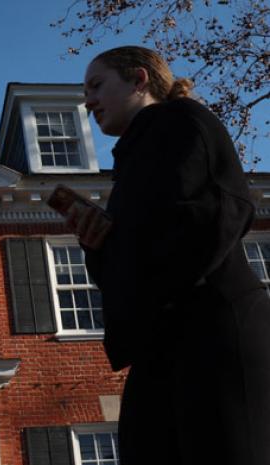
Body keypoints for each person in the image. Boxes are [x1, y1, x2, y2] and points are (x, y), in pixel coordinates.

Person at [70, 45, 270, 464]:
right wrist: (99, 244)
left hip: (214, 331)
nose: (87, 101)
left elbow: (218, 214)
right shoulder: (132, 162)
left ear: (139, 79)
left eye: (96, 85)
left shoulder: (184, 121)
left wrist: (122, 245)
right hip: (162, 339)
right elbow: (139, 256)